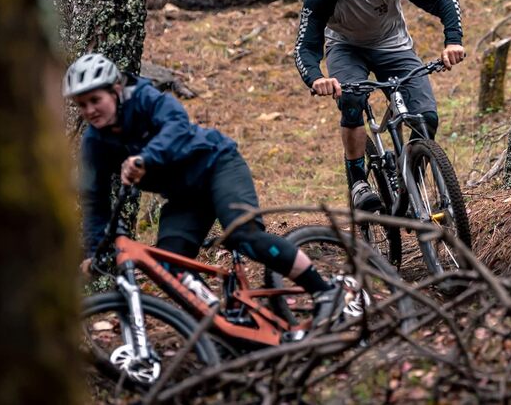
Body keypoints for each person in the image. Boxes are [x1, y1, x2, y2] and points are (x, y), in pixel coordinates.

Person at [64, 52, 344, 325]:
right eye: (82, 104)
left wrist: (146, 158)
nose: (90, 110)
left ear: (115, 91)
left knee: (244, 235)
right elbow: (95, 199)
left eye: (95, 100)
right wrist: (93, 252)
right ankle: (221, 323)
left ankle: (325, 290)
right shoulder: (95, 143)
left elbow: (177, 126)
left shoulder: (146, 98)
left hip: (218, 166)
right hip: (185, 196)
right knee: (170, 264)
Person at [295, 0, 466, 211]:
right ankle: (359, 182)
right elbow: (305, 47)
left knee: (427, 117)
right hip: (346, 50)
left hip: (394, 48)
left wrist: (453, 42)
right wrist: (316, 79)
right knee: (351, 100)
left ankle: (413, 183)